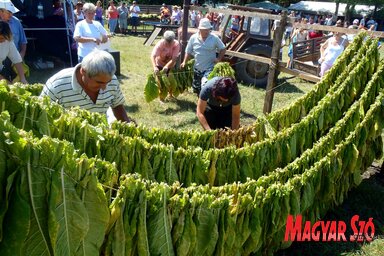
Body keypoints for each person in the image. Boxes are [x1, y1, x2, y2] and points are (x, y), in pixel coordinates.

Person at [40, 49, 134, 123]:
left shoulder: (111, 80)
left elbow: (117, 105)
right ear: (83, 72)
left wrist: (128, 125)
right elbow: (42, 116)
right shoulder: (56, 86)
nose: (104, 87)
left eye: (107, 82)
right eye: (99, 82)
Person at [180, 18, 226, 95]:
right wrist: (184, 61)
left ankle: (206, 103)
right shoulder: (193, 38)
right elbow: (188, 50)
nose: (207, 31)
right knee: (197, 88)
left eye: (208, 29)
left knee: (205, 85)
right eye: (205, 29)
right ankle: (200, 101)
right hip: (197, 68)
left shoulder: (214, 38)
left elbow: (223, 48)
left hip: (210, 68)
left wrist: (218, 59)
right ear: (200, 29)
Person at [0, 0, 27, 81]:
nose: (3, 40)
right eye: (8, 12)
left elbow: (17, 59)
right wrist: (6, 83)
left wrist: (23, 79)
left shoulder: (8, 40)